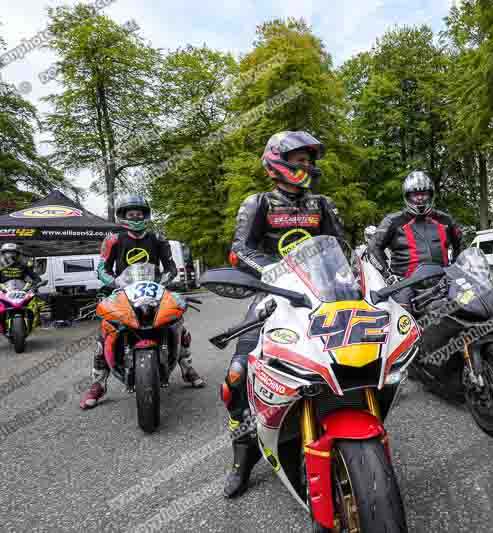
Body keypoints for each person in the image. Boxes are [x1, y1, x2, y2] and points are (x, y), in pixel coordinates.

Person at [222, 130, 346, 499]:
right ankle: (241, 459)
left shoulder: (322, 204)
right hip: (273, 295)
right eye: (299, 160)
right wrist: (271, 270)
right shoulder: (257, 203)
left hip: (322, 295)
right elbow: (240, 249)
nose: (306, 166)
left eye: (309, 160)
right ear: (277, 161)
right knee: (238, 374)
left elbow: (341, 246)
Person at [79, 194, 205, 410]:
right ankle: (98, 385)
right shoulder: (113, 240)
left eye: (139, 213)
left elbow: (171, 267)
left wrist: (165, 280)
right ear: (123, 216)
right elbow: (102, 269)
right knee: (105, 332)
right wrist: (113, 281)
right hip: (122, 289)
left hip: (154, 288)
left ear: (145, 215)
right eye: (131, 213)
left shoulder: (158, 238)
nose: (135, 216)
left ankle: (187, 369)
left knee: (177, 324)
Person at [367, 170, 463, 310]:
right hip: (405, 283)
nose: (420, 198)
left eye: (424, 193)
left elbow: (460, 244)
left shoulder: (445, 220)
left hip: (442, 281)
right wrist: (388, 276)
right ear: (407, 196)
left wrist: (456, 267)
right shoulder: (392, 221)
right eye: (415, 194)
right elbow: (373, 249)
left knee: (466, 305)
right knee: (401, 320)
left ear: (431, 194)